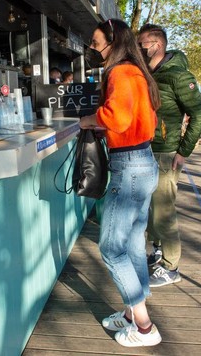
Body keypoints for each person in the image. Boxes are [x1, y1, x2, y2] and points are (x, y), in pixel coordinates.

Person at [79, 19, 162, 347]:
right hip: (142, 163)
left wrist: (89, 119)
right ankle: (132, 313)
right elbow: (141, 119)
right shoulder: (137, 72)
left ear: (112, 41)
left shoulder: (120, 73)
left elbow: (117, 117)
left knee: (112, 248)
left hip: (129, 169)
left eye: (96, 42)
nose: (93, 48)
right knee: (131, 245)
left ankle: (144, 326)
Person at [137, 23, 201, 288]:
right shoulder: (149, 73)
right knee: (152, 208)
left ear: (156, 45)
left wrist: (183, 152)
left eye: (141, 44)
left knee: (164, 211)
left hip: (166, 153)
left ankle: (171, 266)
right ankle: (157, 251)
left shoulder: (177, 75)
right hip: (147, 148)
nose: (138, 49)